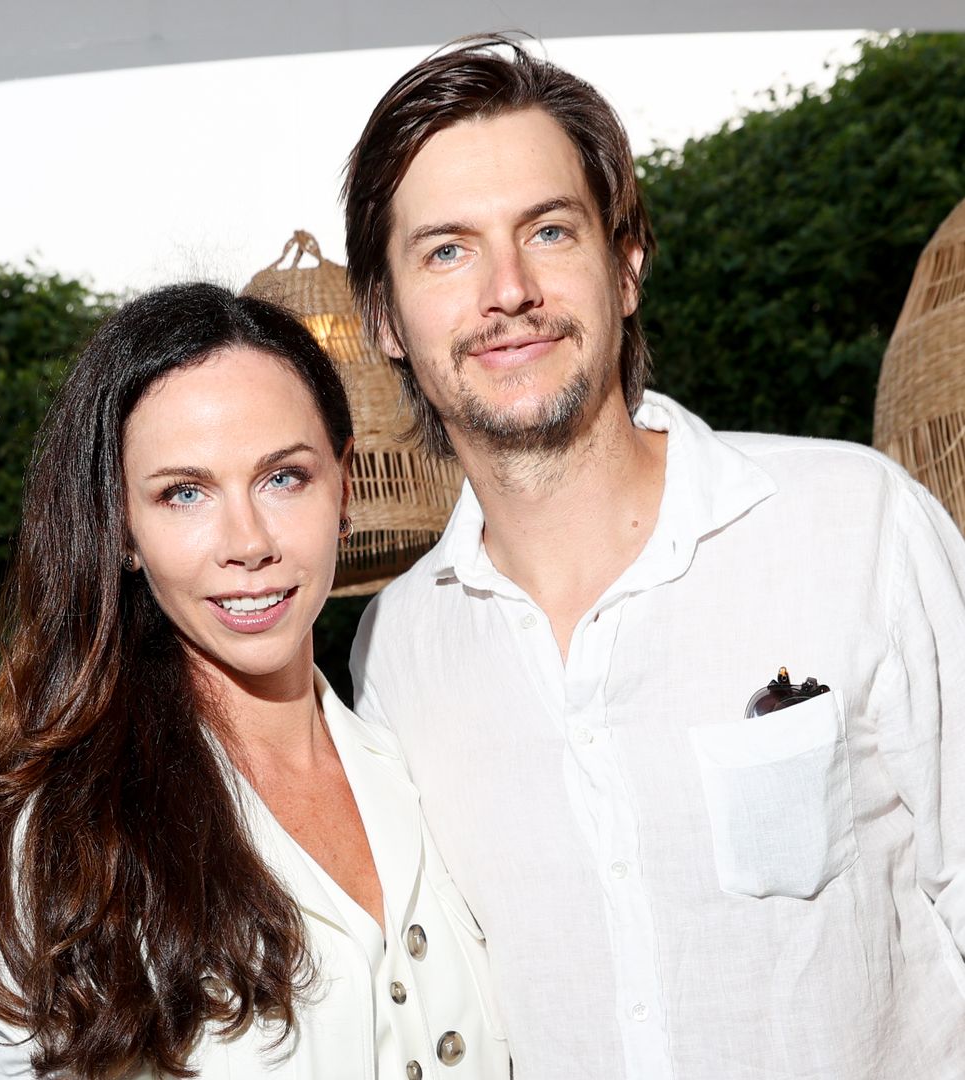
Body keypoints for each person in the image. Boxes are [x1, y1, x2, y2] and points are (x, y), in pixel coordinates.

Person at [343, 34, 965, 1079]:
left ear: (625, 264)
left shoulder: (855, 526)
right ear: (387, 320)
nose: (507, 290)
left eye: (547, 230)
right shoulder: (397, 655)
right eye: (446, 251)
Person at [0, 284, 509, 1080]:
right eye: (185, 493)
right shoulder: (69, 841)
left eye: (283, 478)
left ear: (345, 488)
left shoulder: (420, 759)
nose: (247, 542)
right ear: (123, 530)